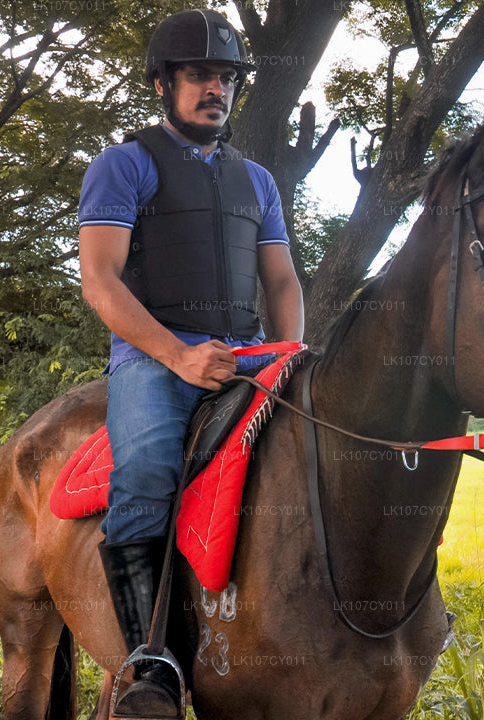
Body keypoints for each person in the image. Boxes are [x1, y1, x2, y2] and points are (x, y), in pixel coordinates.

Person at [77, 9, 302, 718]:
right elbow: (101, 280)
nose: (216, 89)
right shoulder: (124, 165)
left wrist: (291, 353)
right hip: (154, 354)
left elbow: (284, 282)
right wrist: (176, 353)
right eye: (200, 75)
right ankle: (152, 663)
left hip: (248, 347)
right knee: (145, 469)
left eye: (227, 78)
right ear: (162, 83)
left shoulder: (258, 181)